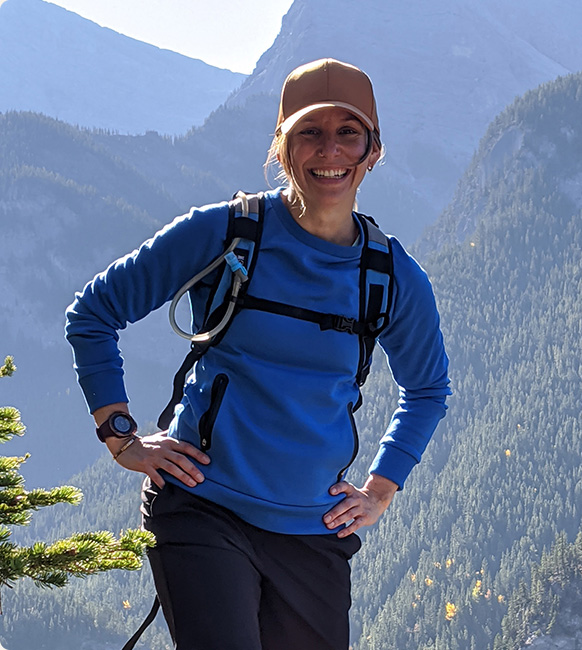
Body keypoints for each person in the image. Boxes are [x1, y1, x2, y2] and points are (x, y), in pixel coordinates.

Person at [65, 58, 450, 650]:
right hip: (202, 507)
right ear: (282, 145)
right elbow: (94, 312)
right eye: (309, 132)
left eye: (348, 132)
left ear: (373, 151)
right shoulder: (225, 233)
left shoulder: (392, 276)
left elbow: (426, 390)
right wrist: (121, 436)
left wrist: (381, 488)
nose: (331, 151)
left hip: (312, 528)